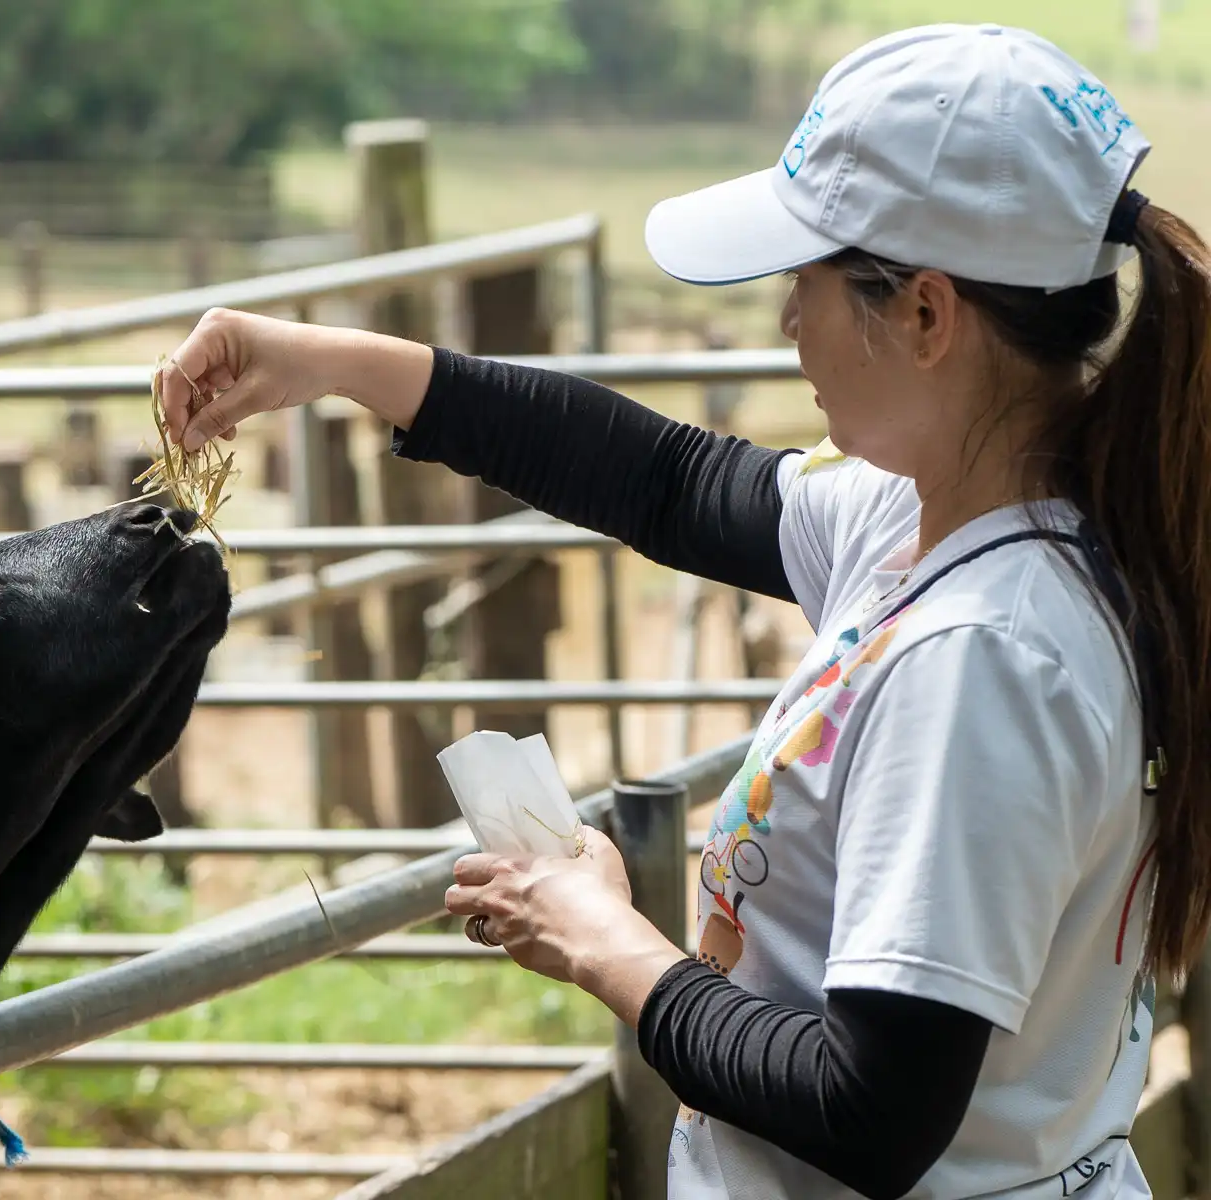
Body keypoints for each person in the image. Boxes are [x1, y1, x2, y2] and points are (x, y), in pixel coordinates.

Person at [157, 23, 1211, 1200]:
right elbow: (664, 480)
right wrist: (329, 362)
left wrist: (600, 937)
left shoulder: (980, 655)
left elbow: (868, 1110)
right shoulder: (948, 517)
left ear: (923, 315)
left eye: (801, 279)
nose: (783, 322)